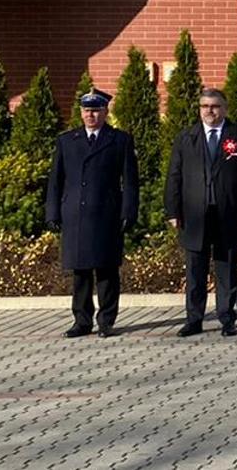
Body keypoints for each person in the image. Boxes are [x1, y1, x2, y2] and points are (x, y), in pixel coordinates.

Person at [44, 89, 140, 339]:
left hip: (107, 214)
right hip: (75, 214)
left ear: (105, 112)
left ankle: (106, 320)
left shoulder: (120, 140)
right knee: (80, 272)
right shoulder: (67, 141)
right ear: (81, 112)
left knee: (107, 271)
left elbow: (130, 181)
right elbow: (56, 180)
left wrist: (129, 210)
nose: (91, 115)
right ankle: (82, 321)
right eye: (87, 110)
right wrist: (52, 211)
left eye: (96, 111)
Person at [164, 88, 237, 337]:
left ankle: (227, 318)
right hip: (195, 216)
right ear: (199, 109)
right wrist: (173, 211)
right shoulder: (186, 137)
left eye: (215, 106)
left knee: (226, 269)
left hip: (228, 214)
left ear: (224, 108)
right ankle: (194, 319)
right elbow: (174, 176)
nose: (210, 111)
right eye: (205, 106)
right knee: (195, 270)